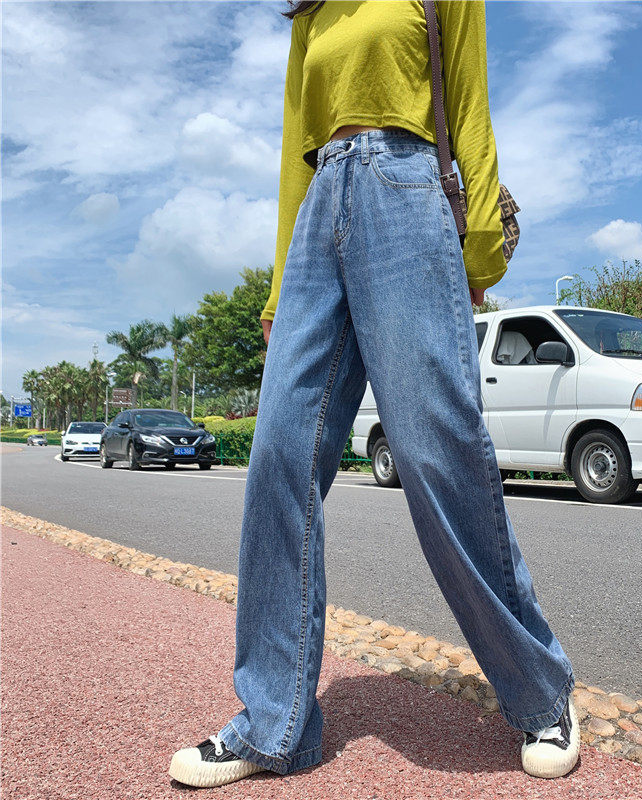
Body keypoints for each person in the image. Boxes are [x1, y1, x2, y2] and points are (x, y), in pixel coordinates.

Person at [170, 0, 579, 788]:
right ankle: (272, 723)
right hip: (320, 209)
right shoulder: (311, 13)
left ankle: (540, 689)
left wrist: (479, 249)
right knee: (278, 452)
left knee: (433, 450)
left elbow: (470, 105)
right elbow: (296, 156)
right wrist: (278, 290)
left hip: (408, 191)